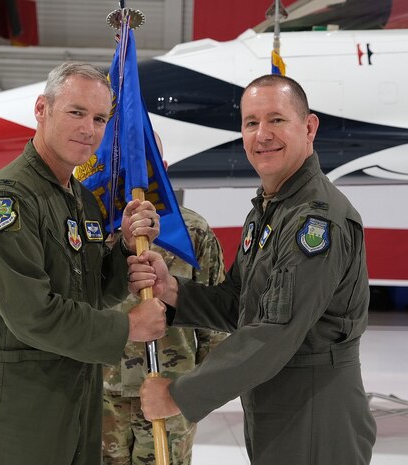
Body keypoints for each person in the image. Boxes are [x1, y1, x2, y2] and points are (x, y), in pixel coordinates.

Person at [128, 74, 377, 465]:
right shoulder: (270, 209)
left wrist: (180, 394)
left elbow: (275, 333)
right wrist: (171, 290)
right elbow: (240, 304)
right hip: (278, 403)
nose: (262, 134)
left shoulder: (315, 221)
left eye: (276, 119)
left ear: (309, 127)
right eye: (251, 123)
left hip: (315, 411)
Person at [0, 62, 167, 465]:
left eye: (100, 118)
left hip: (79, 399)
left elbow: (91, 293)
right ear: (42, 109)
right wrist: (129, 326)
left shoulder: (81, 200)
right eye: (76, 112)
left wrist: (124, 254)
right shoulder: (8, 201)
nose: (89, 129)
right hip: (20, 407)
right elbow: (31, 314)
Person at [102, 133, 227, 465]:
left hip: (169, 394)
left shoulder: (192, 233)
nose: (135, 178)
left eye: (146, 167)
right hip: (101, 397)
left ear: (163, 169)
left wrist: (193, 393)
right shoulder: (94, 232)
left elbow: (216, 326)